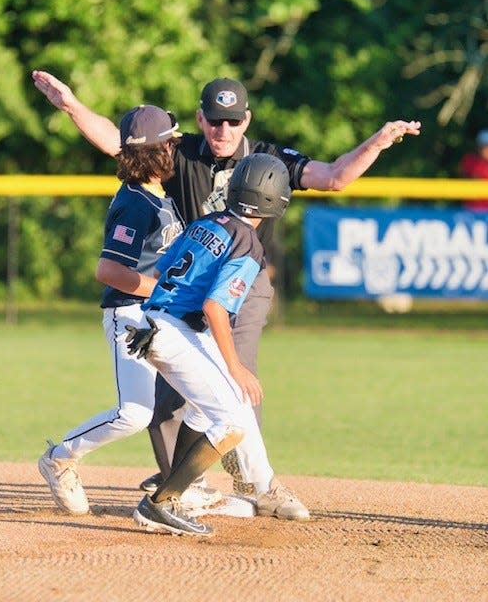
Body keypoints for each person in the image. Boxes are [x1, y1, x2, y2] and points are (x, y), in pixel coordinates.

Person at [32, 69, 421, 503]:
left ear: (247, 120)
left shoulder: (269, 159)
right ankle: (179, 481)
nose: (224, 129)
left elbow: (333, 177)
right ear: (200, 119)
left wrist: (379, 142)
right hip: (182, 286)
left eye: (233, 120)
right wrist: (71, 105)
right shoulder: (180, 154)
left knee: (235, 379)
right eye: (215, 120)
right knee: (162, 398)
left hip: (242, 284)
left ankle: (258, 483)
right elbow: (122, 143)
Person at [37, 104, 222, 515]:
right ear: (156, 152)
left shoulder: (159, 193)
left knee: (206, 396)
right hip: (131, 316)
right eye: (170, 143)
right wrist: (164, 287)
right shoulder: (136, 203)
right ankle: (60, 458)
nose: (176, 148)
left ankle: (181, 485)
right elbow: (108, 270)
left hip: (162, 318)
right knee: (136, 414)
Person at [127, 153, 294, 536]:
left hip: (158, 323)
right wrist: (237, 367)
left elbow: (161, 267)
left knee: (209, 409)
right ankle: (161, 503)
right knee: (233, 421)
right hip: (175, 332)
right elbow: (215, 306)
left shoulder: (206, 222)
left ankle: (185, 491)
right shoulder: (248, 244)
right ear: (276, 200)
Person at [459, 129, 488, 212]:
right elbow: (462, 182)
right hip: (471, 209)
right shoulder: (470, 161)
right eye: (485, 147)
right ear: (479, 148)